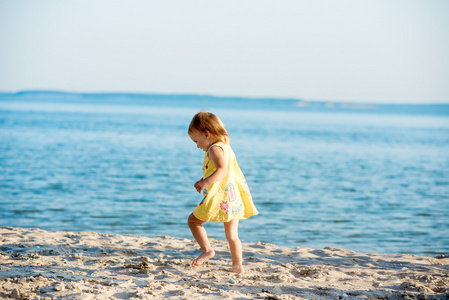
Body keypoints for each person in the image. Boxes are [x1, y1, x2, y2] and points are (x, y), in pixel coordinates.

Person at [187, 111, 258, 274]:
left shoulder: (214, 149)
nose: (197, 145)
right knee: (232, 235)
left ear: (207, 134)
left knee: (193, 221)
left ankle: (207, 250)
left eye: (196, 141)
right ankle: (237, 266)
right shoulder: (226, 146)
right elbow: (219, 170)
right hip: (233, 198)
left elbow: (222, 170)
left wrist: (205, 182)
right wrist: (206, 177)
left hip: (220, 198)